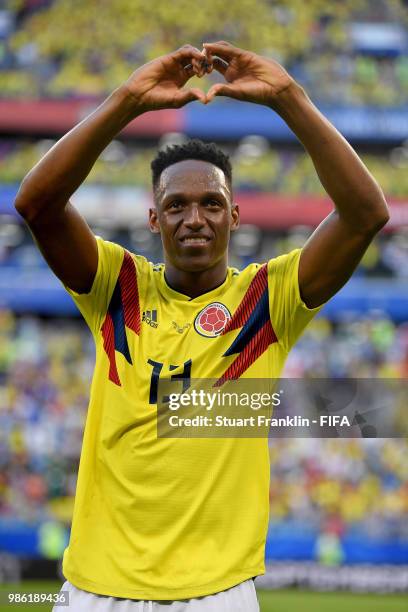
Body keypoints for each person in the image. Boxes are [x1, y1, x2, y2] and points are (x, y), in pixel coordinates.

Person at [15, 41, 389, 611]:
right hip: (97, 590)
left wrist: (289, 97)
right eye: (177, 205)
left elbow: (366, 214)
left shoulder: (269, 300)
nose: (195, 218)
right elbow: (37, 205)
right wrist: (127, 100)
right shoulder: (116, 286)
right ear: (154, 218)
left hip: (215, 595)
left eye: (212, 204)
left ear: (235, 215)